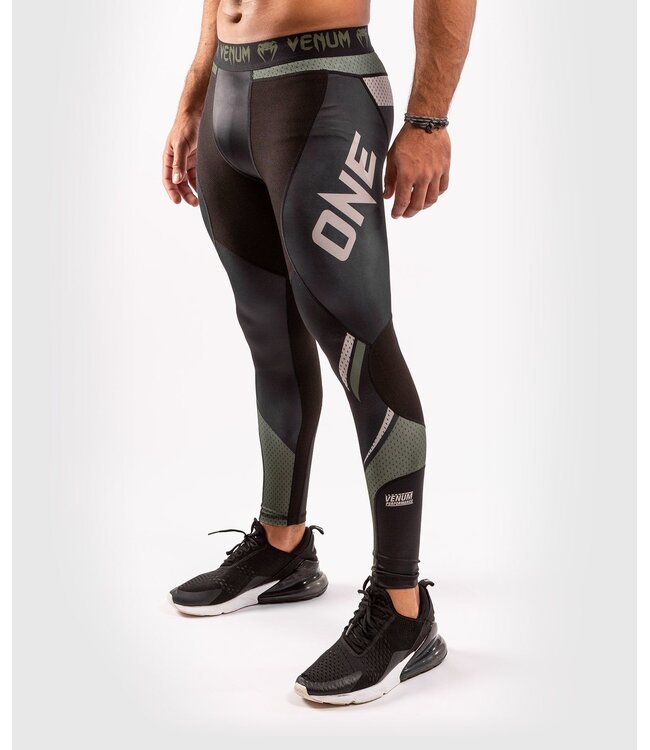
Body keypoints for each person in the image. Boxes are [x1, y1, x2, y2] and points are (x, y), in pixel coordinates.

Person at [162, 0, 475, 704]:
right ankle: (283, 546)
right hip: (230, 92)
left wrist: (429, 120)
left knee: (360, 343)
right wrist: (193, 94)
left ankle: (403, 607)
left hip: (322, 90)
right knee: (269, 335)